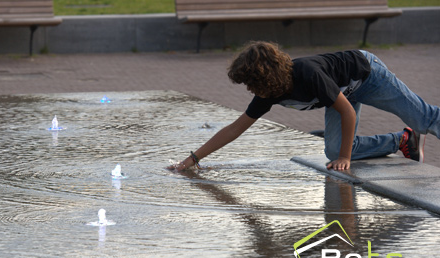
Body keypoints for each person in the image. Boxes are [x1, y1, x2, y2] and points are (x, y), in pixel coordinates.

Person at [168, 41, 440, 171]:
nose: (250, 90)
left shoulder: (308, 75)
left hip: (367, 76)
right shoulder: (270, 93)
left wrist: (346, 160)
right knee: (334, 149)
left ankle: (415, 130)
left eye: (251, 83)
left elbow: (345, 111)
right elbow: (235, 128)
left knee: (424, 118)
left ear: (266, 77)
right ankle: (404, 141)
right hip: (341, 93)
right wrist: (193, 159)